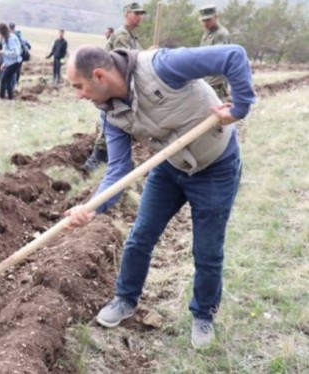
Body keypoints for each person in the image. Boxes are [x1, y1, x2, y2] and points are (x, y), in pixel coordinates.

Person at [64, 44, 255, 349]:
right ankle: (125, 300)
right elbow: (118, 170)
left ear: (98, 75)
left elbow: (232, 55)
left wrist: (240, 107)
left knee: (207, 250)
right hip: (169, 167)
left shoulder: (162, 67)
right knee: (140, 237)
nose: (79, 95)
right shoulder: (110, 113)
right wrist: (91, 208)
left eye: (79, 86)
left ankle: (203, 314)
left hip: (215, 167)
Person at [84, 2, 147, 173]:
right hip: (111, 86)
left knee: (116, 122)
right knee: (110, 121)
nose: (139, 16)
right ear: (126, 13)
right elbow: (126, 61)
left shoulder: (131, 37)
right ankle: (97, 158)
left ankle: (109, 158)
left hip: (118, 86)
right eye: (136, 13)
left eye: (141, 13)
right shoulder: (121, 36)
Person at [199, 5, 231, 100]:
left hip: (217, 82)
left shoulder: (221, 34)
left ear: (216, 17)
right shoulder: (207, 34)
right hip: (206, 80)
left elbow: (217, 57)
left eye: (208, 20)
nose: (205, 23)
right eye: (203, 21)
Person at [0, 23, 22, 100]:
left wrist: (3, 52)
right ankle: (11, 99)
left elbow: (16, 53)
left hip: (15, 63)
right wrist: (5, 63)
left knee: (3, 80)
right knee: (8, 80)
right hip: (10, 63)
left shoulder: (11, 38)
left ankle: (1, 99)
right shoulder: (5, 38)